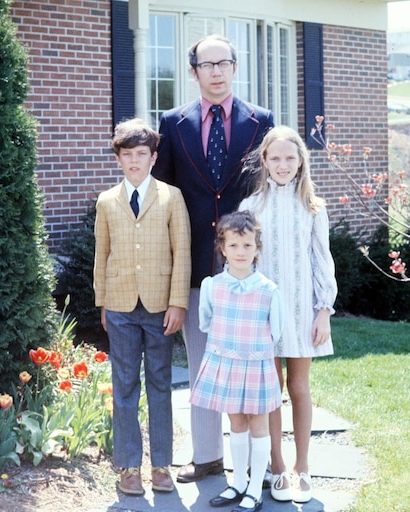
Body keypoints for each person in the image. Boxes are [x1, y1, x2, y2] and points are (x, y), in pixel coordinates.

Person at [152, 33, 274, 484]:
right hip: (194, 263)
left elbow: (268, 189)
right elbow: (164, 195)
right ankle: (206, 457)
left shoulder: (261, 121)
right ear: (194, 72)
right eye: (207, 65)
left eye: (224, 63)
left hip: (246, 267)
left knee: (248, 365)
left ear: (235, 67)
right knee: (201, 362)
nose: (217, 72)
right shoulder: (172, 123)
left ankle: (252, 461)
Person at [239, 125, 338, 504]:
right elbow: (243, 262)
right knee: (270, 392)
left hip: (302, 310)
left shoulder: (313, 207)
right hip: (264, 314)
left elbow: (321, 261)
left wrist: (324, 311)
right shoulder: (251, 208)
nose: (283, 164)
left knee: (299, 388)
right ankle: (277, 468)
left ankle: (303, 466)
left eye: (290, 158)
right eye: (275, 158)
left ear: (301, 162)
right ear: (264, 161)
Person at [93, 118, 192, 496]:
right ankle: (129, 467)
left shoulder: (171, 197)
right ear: (118, 159)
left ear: (153, 157)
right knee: (124, 385)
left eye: (141, 154)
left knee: (160, 384)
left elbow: (181, 253)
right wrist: (103, 302)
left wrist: (177, 302)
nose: (134, 161)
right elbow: (102, 254)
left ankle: (162, 465)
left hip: (159, 307)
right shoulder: (107, 201)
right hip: (119, 305)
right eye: (127, 155)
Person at [189, 211, 283, 512]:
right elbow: (205, 322)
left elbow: (276, 331)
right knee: (236, 423)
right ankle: (238, 482)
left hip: (256, 365)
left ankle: (255, 487)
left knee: (259, 425)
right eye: (233, 246)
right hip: (227, 363)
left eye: (247, 245)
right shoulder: (211, 286)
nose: (240, 252)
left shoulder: (268, 290)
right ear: (222, 247)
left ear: (257, 248)